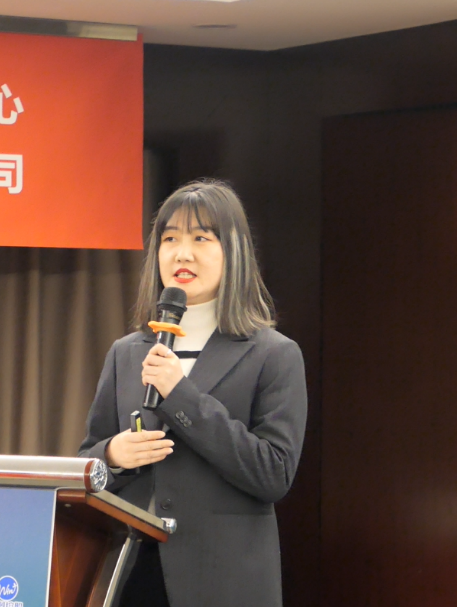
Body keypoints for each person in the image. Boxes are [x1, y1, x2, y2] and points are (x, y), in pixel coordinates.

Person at [78, 180, 307, 607]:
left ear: (233, 252)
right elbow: (86, 460)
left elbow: (273, 473)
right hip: (132, 571)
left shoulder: (273, 354)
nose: (182, 254)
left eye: (200, 238)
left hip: (223, 581)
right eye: (170, 239)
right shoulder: (127, 352)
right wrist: (112, 454)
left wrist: (181, 396)